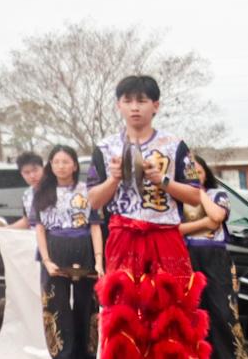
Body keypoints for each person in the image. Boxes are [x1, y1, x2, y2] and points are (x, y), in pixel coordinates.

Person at [86, 74, 207, 359]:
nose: (135, 107)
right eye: (128, 101)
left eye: (141, 100)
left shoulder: (174, 145)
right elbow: (93, 200)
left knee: (171, 312)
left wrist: (163, 180)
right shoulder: (105, 149)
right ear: (118, 106)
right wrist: (114, 179)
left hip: (165, 237)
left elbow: (195, 196)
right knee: (123, 315)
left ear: (156, 105)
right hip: (123, 238)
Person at [32, 144, 102, 359]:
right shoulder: (40, 192)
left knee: (86, 305)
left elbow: (95, 225)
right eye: (56, 162)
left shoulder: (88, 190)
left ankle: (85, 354)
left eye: (66, 162)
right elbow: (40, 228)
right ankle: (62, 354)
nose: (61, 166)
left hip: (83, 251)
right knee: (56, 305)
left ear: (74, 165)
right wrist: (46, 260)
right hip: (54, 251)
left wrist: (99, 260)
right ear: (50, 166)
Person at [182, 155, 248, 359]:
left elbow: (218, 216)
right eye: (189, 173)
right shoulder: (178, 199)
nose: (194, 176)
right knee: (193, 312)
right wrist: (204, 224)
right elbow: (175, 230)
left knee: (221, 311)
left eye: (198, 172)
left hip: (215, 258)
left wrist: (198, 192)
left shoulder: (217, 194)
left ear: (206, 173)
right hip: (188, 258)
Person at [15, 152, 46, 228]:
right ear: (21, 174)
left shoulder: (57, 190)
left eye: (35, 170)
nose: (32, 176)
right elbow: (26, 221)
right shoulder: (27, 194)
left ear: (43, 169)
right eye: (27, 172)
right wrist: (4, 229)